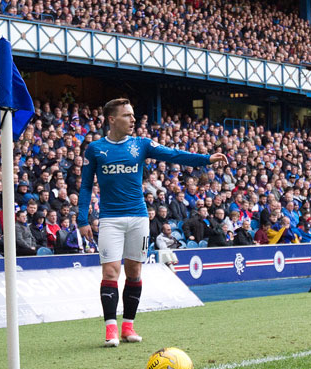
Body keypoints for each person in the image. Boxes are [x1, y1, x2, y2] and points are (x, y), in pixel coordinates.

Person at [77, 98, 226, 347]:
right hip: (110, 220)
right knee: (111, 271)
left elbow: (174, 154)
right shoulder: (95, 149)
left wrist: (205, 159)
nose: (133, 119)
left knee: (134, 272)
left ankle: (128, 326)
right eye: (127, 115)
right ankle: (110, 328)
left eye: (133, 115)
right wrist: (83, 218)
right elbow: (84, 186)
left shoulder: (142, 145)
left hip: (138, 218)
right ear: (111, 119)